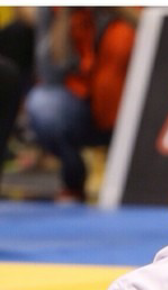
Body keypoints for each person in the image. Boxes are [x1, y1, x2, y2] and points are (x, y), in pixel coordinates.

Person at [25, 7, 137, 202]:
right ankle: (74, 176)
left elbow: (167, 33)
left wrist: (120, 9)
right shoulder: (56, 9)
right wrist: (65, 15)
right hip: (82, 105)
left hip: (132, 104)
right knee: (42, 103)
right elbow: (51, 72)